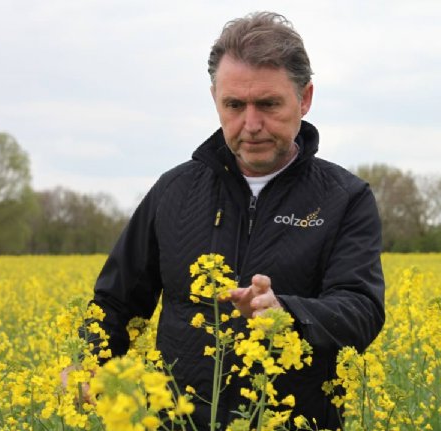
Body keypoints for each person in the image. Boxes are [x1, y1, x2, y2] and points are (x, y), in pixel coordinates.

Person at [71, 11, 385, 429]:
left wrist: (285, 312)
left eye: (269, 104)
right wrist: (91, 361)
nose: (251, 125)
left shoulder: (345, 198)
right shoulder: (173, 191)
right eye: (234, 105)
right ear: (215, 99)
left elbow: (361, 309)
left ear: (305, 98)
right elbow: (116, 301)